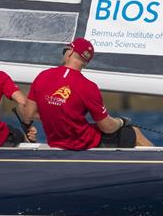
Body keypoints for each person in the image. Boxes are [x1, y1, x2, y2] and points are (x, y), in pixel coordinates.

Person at [19, 37, 152, 150]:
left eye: (65, 51)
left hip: (55, 142)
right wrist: (121, 122)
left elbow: (28, 114)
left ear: (70, 53)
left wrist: (50, 116)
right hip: (80, 144)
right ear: (86, 63)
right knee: (134, 132)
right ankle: (159, 171)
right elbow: (107, 127)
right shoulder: (89, 87)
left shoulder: (43, 76)